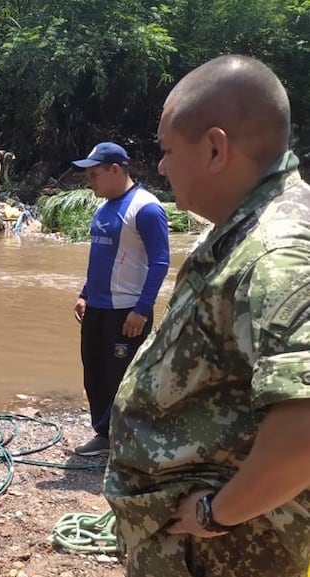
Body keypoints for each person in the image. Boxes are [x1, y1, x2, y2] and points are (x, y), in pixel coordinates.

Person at [104, 54, 310, 577]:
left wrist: (215, 515)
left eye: (169, 150)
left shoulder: (275, 253)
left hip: (232, 553)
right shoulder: (244, 229)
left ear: (215, 148)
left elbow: (305, 426)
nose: (164, 167)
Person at [70, 142, 170, 456]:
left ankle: (129, 442)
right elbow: (100, 257)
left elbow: (161, 262)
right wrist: (85, 294)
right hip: (97, 308)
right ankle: (105, 435)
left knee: (123, 377)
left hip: (127, 312)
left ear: (115, 169)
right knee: (95, 373)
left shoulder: (146, 208)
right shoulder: (103, 207)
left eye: (94, 174)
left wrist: (142, 309)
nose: (89, 181)